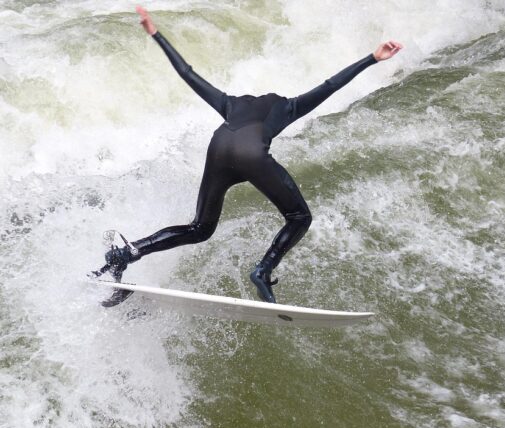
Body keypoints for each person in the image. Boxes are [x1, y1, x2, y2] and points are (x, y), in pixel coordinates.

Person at [93, 6, 402, 305]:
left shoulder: (231, 104)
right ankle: (263, 270)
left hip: (218, 150)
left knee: (200, 228)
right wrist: (373, 58)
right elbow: (331, 85)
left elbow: (188, 73)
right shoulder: (287, 105)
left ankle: (129, 252)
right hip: (251, 156)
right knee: (299, 217)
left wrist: (155, 33)